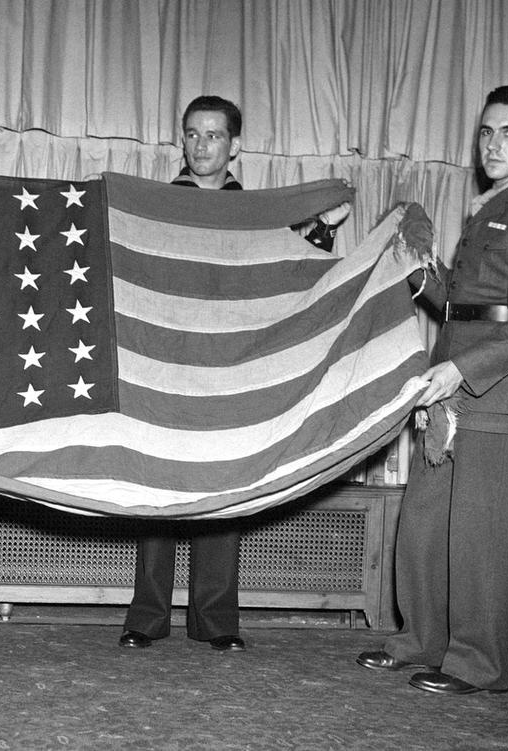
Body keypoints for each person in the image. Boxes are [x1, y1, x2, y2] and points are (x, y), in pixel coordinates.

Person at [356, 85, 508, 694]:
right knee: (425, 524)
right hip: (446, 388)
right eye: (486, 131)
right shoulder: (484, 214)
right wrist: (418, 266)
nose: (493, 144)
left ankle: (478, 664)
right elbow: (456, 305)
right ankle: (420, 641)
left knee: (479, 535)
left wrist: (461, 372)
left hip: (494, 393)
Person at [118, 95, 349, 653]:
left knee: (225, 484)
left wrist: (321, 226)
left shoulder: (257, 212)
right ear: (182, 141)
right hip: (165, 365)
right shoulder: (156, 205)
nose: (202, 146)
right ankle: (146, 617)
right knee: (159, 488)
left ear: (234, 146)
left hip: (231, 368)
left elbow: (290, 269)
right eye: (192, 135)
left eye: (214, 136)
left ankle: (216, 619)